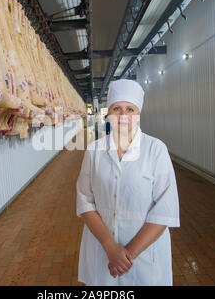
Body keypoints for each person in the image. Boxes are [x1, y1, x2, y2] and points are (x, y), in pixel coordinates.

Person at [76, 79, 180, 286]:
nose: (123, 115)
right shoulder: (94, 151)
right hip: (102, 252)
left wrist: (128, 255)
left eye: (130, 109)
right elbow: (85, 201)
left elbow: (165, 209)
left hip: (143, 257)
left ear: (138, 114)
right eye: (117, 108)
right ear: (108, 113)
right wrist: (110, 248)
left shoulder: (155, 149)